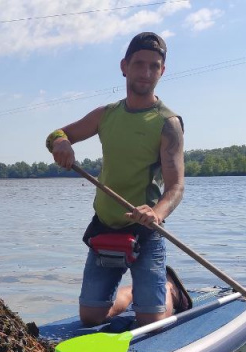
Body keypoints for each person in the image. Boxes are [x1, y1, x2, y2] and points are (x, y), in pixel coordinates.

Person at [47, 31, 192, 328]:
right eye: (139, 64)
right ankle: (136, 292)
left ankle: (168, 289)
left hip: (146, 229)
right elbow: (56, 134)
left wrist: (157, 212)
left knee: (151, 322)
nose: (146, 72)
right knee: (90, 318)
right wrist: (61, 144)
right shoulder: (106, 115)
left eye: (154, 66)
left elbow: (176, 186)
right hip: (105, 226)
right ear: (124, 66)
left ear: (162, 72)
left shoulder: (168, 123)